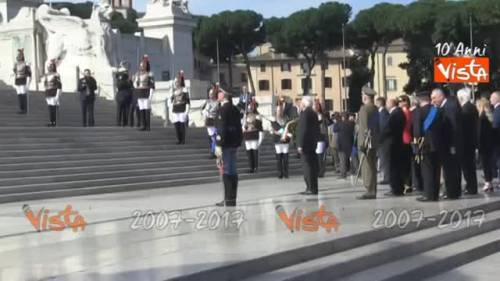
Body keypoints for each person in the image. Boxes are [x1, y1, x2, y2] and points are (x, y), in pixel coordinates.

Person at [431, 88, 463, 200]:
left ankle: (452, 192)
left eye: (434, 98)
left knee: (451, 169)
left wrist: (452, 145)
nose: (433, 101)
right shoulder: (447, 106)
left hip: (450, 144)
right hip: (449, 143)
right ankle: (453, 191)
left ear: (441, 96)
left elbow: (453, 127)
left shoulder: (449, 107)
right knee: (451, 169)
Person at [215, 92, 243, 207]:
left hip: (225, 143)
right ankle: (232, 198)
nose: (218, 95)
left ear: (223, 96)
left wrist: (218, 144)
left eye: (219, 93)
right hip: (234, 143)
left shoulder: (222, 110)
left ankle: (228, 198)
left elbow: (221, 129)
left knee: (226, 170)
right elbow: (239, 127)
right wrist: (239, 142)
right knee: (233, 170)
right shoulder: (235, 109)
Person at [415, 90, 442, 202]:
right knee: (436, 170)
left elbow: (417, 132)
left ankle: (428, 195)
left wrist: (417, 146)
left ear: (419, 100)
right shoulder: (437, 110)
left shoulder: (419, 112)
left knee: (427, 171)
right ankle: (435, 194)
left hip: (425, 145)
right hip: (438, 144)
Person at [380, 98, 406, 196]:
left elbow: (389, 129)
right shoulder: (397, 113)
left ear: (391, 104)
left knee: (394, 167)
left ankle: (396, 189)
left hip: (393, 143)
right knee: (396, 167)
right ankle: (397, 188)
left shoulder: (396, 114)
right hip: (396, 143)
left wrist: (380, 137)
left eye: (387, 103)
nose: (386, 105)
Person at [357, 87, 379, 200]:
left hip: (366, 142)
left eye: (362, 95)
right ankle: (373, 189)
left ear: (365, 96)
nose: (362, 96)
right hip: (374, 141)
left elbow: (365, 127)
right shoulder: (375, 108)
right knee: (372, 166)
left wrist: (363, 144)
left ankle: (369, 190)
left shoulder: (364, 109)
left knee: (367, 167)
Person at [297, 96, 321, 195]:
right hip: (312, 143)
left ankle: (310, 188)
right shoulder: (313, 113)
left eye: (301, 102)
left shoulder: (305, 113)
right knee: (312, 167)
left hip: (306, 145)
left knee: (307, 167)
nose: (300, 104)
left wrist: (300, 144)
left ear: (304, 103)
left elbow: (303, 130)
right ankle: (313, 188)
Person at [457, 88, 479, 195]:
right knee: (469, 166)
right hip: (470, 141)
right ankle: (471, 187)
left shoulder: (466, 109)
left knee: (467, 166)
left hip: (467, 142)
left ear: (460, 98)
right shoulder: (471, 107)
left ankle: (471, 188)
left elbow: (464, 128)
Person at [477, 97, 495, 192]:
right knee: (489, 163)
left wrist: (477, 145)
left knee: (485, 164)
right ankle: (489, 182)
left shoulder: (481, 118)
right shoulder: (490, 117)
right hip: (490, 144)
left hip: (483, 145)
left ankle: (488, 182)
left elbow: (479, 134)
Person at [272, 97, 293, 179]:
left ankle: (286, 173)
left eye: (280, 110)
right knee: (279, 159)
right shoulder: (274, 121)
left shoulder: (286, 119)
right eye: (278, 110)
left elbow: (289, 129)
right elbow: (274, 130)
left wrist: (286, 134)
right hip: (277, 141)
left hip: (285, 141)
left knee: (286, 158)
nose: (279, 112)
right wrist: (281, 132)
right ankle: (280, 173)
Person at [134, 55, 155, 131]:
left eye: (143, 66)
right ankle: (143, 125)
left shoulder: (150, 74)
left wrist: (150, 96)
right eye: (141, 66)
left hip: (146, 93)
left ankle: (148, 126)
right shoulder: (138, 74)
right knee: (141, 109)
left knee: (146, 109)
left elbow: (152, 86)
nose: (142, 67)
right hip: (140, 93)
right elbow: (135, 84)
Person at [243, 99, 263, 173]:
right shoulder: (246, 116)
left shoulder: (258, 116)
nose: (250, 108)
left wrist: (260, 139)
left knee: (255, 153)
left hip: (254, 136)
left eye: (251, 107)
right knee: (249, 153)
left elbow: (260, 129)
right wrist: (244, 118)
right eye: (249, 107)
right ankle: (251, 167)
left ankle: (256, 167)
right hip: (247, 137)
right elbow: (243, 126)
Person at [398, 95, 413, 193]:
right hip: (407, 139)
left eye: (400, 101)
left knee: (404, 164)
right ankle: (407, 184)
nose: (399, 103)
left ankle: (406, 184)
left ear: (405, 102)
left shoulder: (404, 112)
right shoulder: (409, 112)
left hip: (404, 139)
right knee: (406, 164)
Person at [171, 71, 191, 144]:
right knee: (176, 126)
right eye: (175, 82)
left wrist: (187, 111)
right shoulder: (174, 91)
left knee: (182, 126)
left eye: (177, 82)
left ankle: (183, 140)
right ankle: (178, 139)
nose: (176, 83)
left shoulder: (184, 90)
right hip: (175, 110)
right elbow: (171, 100)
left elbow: (188, 101)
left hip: (182, 109)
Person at [202, 85, 220, 158]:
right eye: (209, 94)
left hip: (215, 121)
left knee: (214, 138)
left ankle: (214, 152)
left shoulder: (218, 102)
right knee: (211, 138)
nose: (210, 95)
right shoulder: (207, 102)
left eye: (212, 94)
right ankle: (214, 151)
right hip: (209, 121)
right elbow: (203, 111)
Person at [409, 95, 423, 193]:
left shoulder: (413, 112)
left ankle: (417, 184)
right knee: (419, 162)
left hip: (414, 140)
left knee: (415, 163)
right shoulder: (420, 111)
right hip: (421, 139)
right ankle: (419, 183)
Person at [376, 97, 390, 185]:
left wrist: (379, 138)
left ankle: (387, 178)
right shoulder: (381, 113)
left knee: (385, 160)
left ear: (379, 103)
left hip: (384, 141)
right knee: (383, 159)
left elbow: (383, 127)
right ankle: (386, 176)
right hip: (382, 141)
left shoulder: (383, 113)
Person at [43, 60, 62, 127]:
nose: (49, 67)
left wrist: (58, 95)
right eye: (49, 66)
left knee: (54, 108)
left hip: (54, 92)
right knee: (50, 108)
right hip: (48, 93)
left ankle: (55, 122)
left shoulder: (57, 75)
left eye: (51, 66)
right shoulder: (46, 75)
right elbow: (45, 84)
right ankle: (51, 121)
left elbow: (59, 85)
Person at [13, 49, 32, 114]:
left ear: (22, 56)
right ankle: (21, 109)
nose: (18, 56)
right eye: (18, 55)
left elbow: (29, 74)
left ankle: (25, 109)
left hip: (23, 80)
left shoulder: (25, 64)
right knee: (19, 95)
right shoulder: (16, 64)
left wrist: (28, 83)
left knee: (23, 95)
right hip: (17, 80)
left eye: (20, 55)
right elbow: (15, 72)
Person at [314, 100, 330, 178]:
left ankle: (321, 171)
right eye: (314, 105)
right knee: (317, 156)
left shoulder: (321, 116)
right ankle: (318, 170)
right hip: (315, 137)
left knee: (320, 156)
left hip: (321, 137)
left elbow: (325, 127)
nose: (315, 107)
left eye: (317, 105)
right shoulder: (313, 115)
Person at [336, 112, 355, 179]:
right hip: (350, 143)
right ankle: (352, 171)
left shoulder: (340, 123)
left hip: (341, 144)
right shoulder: (352, 123)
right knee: (351, 159)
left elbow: (334, 129)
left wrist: (338, 121)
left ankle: (343, 174)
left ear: (343, 117)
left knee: (342, 160)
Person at [115, 61, 134, 127]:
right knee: (120, 110)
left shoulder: (128, 77)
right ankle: (119, 123)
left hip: (127, 95)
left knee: (126, 110)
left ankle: (125, 122)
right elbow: (119, 86)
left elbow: (131, 86)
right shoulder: (120, 77)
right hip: (121, 95)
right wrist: (127, 82)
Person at [491, 91, 500, 187]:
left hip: (497, 139)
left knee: (498, 160)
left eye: (492, 98)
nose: (490, 99)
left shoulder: (497, 110)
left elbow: (495, 125)